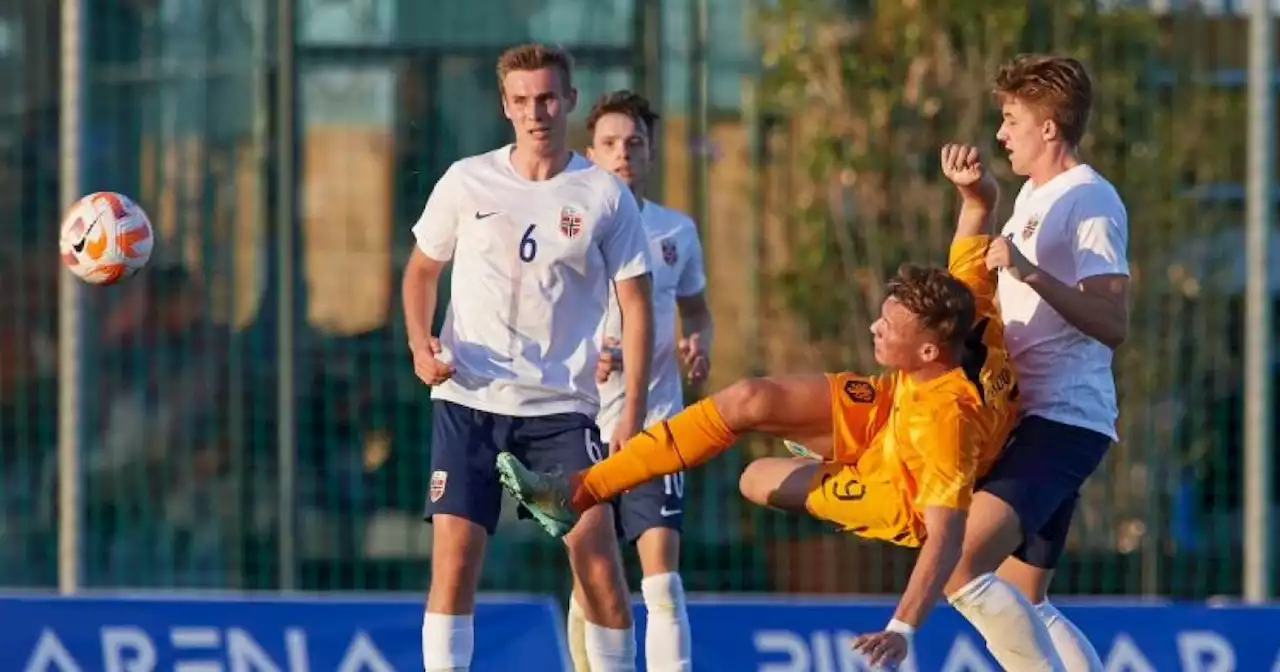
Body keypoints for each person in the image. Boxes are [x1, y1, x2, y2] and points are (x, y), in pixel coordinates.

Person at [497, 144, 1067, 669]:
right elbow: (978, 222)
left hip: (895, 493)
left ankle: (829, 454)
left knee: (753, 478)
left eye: (887, 325)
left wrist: (903, 627)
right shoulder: (969, 310)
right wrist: (975, 192)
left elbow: (945, 538)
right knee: (751, 398)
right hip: (889, 407)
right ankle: (578, 490)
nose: (874, 326)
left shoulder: (946, 423)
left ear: (925, 348)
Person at [402, 42, 655, 672]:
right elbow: (421, 271)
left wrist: (633, 414)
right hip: (469, 399)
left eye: (547, 97)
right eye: (521, 100)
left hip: (563, 411)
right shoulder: (467, 180)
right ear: (505, 107)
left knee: (596, 560)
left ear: (569, 100)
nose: (535, 111)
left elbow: (638, 306)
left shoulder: (602, 196)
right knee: (455, 559)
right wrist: (419, 342)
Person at [950, 54, 1128, 672]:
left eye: (1010, 119)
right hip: (1033, 416)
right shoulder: (1032, 193)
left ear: (1048, 128)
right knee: (1028, 598)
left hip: (1061, 422)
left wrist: (1027, 270)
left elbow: (1112, 322)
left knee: (957, 561)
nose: (1001, 134)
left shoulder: (1092, 200)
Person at [568, 90, 714, 672]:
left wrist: (699, 341)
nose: (623, 154)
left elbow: (696, 309)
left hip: (655, 421)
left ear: (650, 152)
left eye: (634, 143)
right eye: (609, 144)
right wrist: (589, 360)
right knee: (595, 579)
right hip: (578, 426)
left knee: (662, 581)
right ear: (590, 154)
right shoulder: (572, 227)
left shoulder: (675, 231)